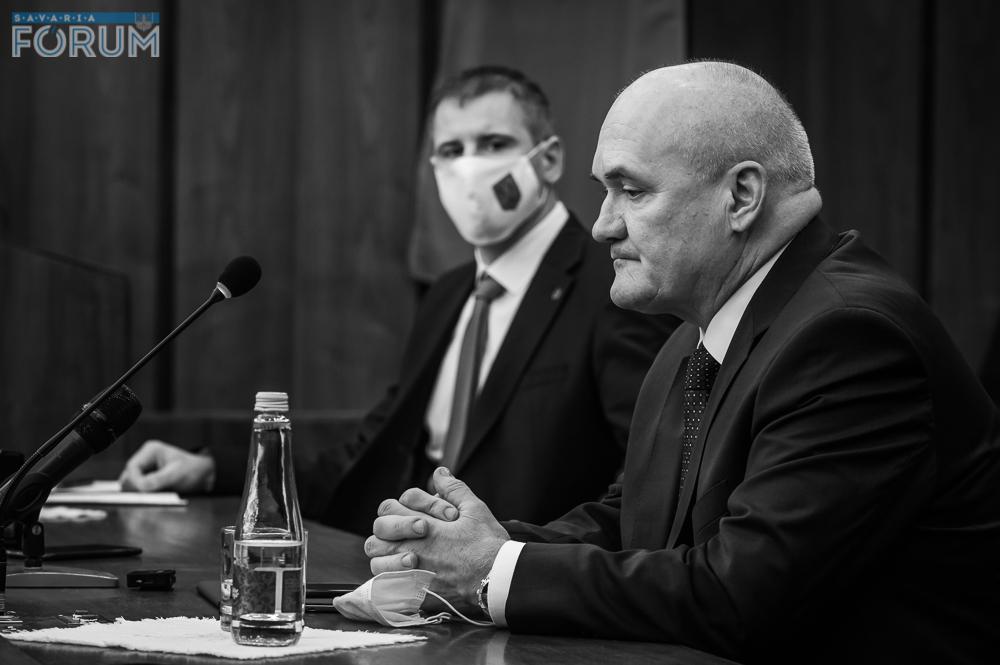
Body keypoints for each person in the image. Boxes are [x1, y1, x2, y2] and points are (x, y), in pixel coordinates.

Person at [363, 62, 1000, 664]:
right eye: (605, 192)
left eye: (631, 191)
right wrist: (473, 545)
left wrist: (496, 571)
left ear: (741, 195)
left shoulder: (850, 336)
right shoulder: (697, 332)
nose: (603, 226)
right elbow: (636, 521)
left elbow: (741, 595)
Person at [118, 66, 677, 533]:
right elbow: (369, 458)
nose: (470, 168)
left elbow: (649, 481)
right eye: (451, 150)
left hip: (529, 595)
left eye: (494, 144)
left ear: (548, 160)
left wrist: (517, 561)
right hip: (410, 581)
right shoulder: (449, 294)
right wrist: (215, 470)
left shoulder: (614, 287)